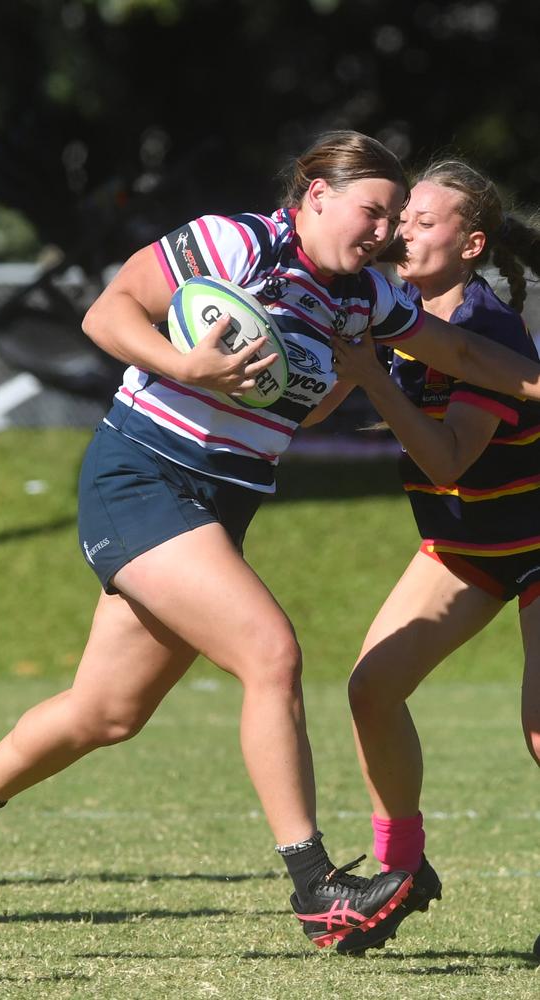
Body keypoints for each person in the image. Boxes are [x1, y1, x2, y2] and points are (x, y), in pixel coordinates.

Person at [0, 133, 540, 950]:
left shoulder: (360, 300)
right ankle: (316, 888)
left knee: (106, 711)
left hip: (222, 503)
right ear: (313, 195)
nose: (383, 233)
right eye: (372, 213)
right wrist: (181, 363)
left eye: (392, 219)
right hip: (141, 476)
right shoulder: (234, 242)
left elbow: (457, 349)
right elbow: (107, 311)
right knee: (270, 653)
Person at [307, 159, 540, 956]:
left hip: (537, 543)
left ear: (471, 244)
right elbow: (315, 413)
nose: (401, 229)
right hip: (471, 545)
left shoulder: (489, 329)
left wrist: (375, 377)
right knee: (372, 689)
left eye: (424, 220)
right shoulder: (387, 312)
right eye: (401, 216)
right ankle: (402, 872)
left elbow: (449, 461)